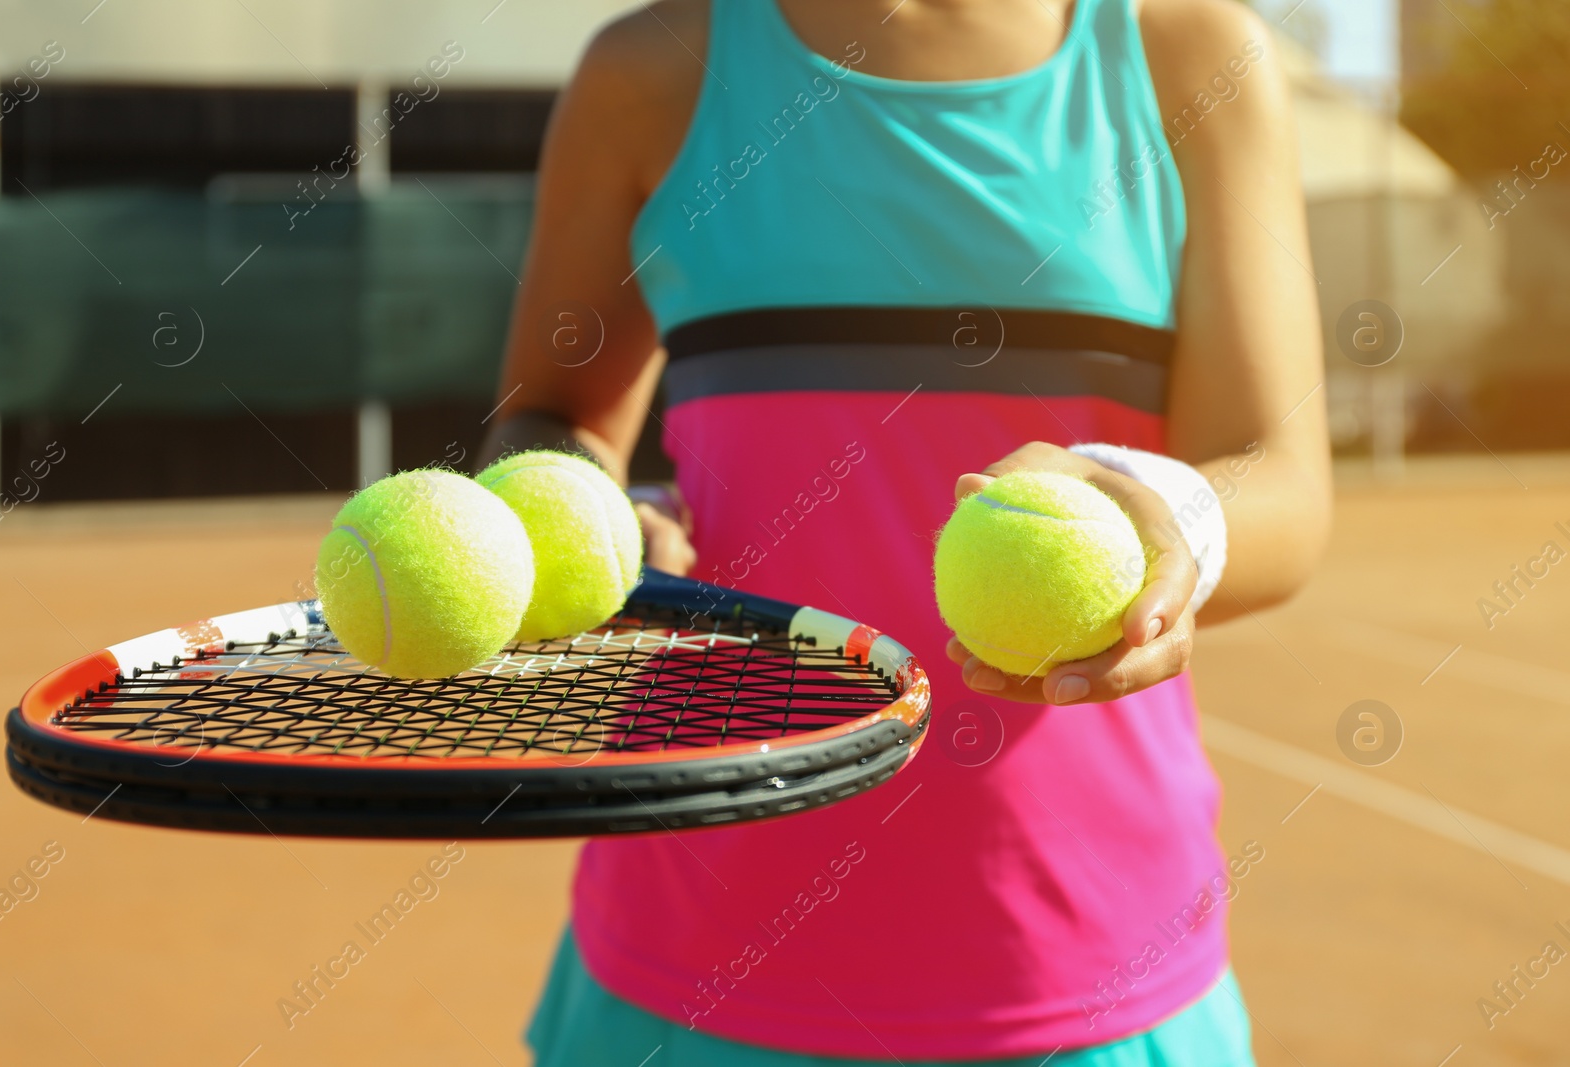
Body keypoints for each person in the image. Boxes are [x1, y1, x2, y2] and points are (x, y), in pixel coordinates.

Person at [481, 0, 1330, 1063]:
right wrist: (588, 515)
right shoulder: (649, 67)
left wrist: (1168, 519)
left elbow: (1285, 484)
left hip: (1086, 967)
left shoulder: (1191, 57)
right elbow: (548, 416)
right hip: (688, 956)